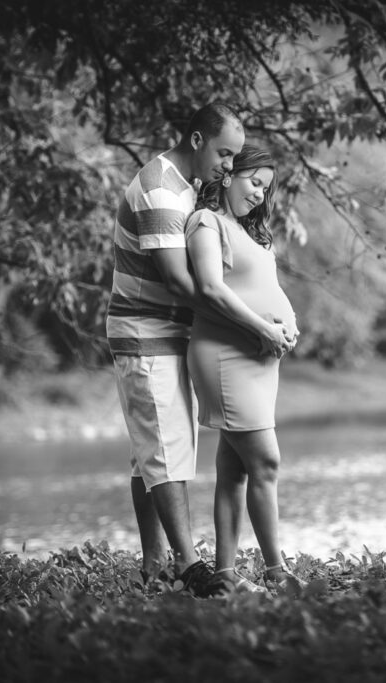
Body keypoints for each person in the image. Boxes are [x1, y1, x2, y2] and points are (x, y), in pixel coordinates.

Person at [105, 104, 290, 597]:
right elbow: (186, 283)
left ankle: (154, 564)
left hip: (173, 335)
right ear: (195, 140)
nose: (230, 165)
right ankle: (191, 569)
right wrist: (253, 328)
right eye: (224, 152)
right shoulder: (162, 189)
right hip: (146, 334)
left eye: (235, 156)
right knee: (167, 453)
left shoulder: (187, 189)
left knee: (150, 453)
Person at [184, 146, 301, 594]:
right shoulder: (206, 222)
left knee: (234, 470)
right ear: (230, 174)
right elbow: (211, 289)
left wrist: (287, 329)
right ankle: (276, 569)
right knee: (266, 460)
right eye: (255, 181)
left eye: (266, 188)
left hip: (257, 361)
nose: (259, 193)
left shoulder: (247, 231)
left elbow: (261, 287)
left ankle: (226, 574)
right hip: (226, 356)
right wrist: (265, 330)